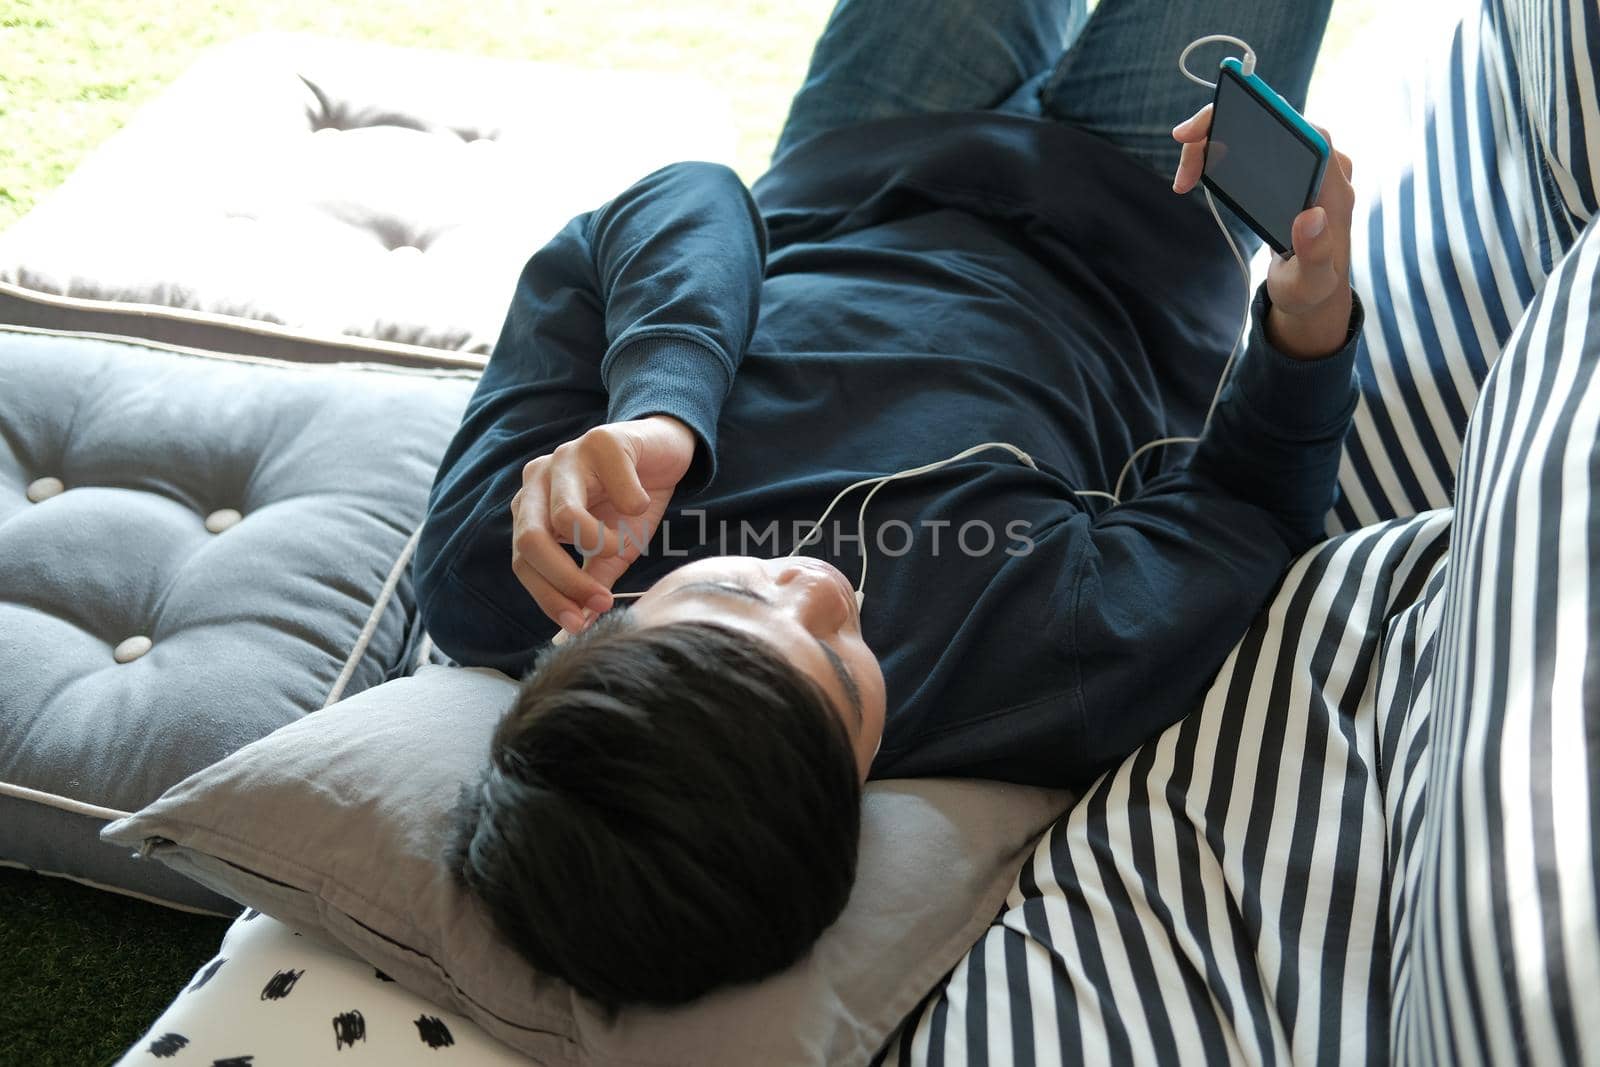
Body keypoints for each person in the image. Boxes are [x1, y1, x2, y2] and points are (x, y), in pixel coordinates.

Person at [415, 0, 1358, 1011]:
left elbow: (678, 199)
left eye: (737, 598)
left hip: (865, 153)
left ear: (599, 630)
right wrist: (1311, 311)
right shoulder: (1045, 664)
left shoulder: (516, 560)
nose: (816, 590)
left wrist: (661, 409)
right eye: (846, 678)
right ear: (860, 779)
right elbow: (1249, 508)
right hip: (1138, 213)